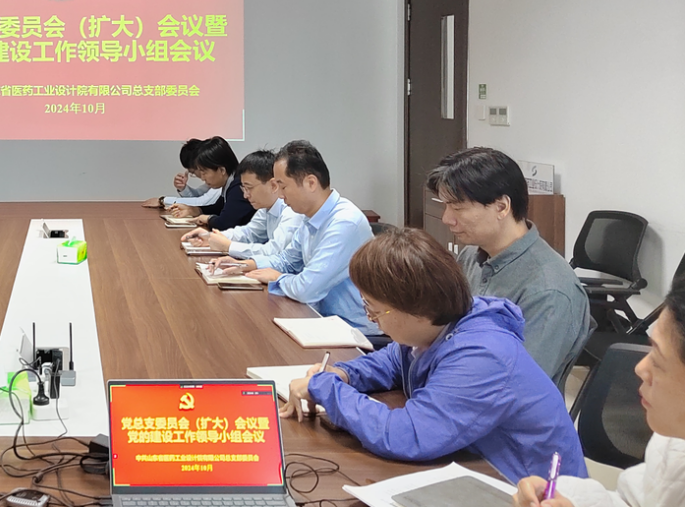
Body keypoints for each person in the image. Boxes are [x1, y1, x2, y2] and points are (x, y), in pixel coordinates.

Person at [283, 227, 586, 485]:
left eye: (373, 310)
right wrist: (344, 374)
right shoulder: (442, 322)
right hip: (472, 465)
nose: (371, 319)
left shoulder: (483, 355)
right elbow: (393, 360)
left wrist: (327, 389)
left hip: (528, 489)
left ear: (416, 311)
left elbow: (407, 435)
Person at [427, 147, 593, 390]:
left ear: (502, 207)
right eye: (446, 206)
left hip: (492, 406)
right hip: (451, 386)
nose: (447, 219)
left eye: (458, 208)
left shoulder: (549, 291)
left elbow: (513, 387)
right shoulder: (470, 256)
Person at [514, 273, 685, 507]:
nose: (640, 368)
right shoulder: (673, 444)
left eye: (658, 360)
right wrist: (570, 502)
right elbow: (632, 501)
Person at [210, 140, 374, 333]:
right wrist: (247, 264)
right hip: (319, 317)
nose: (280, 195)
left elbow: (307, 289)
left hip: (352, 330)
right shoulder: (310, 216)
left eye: (283, 186)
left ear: (310, 183)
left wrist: (278, 278)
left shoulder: (344, 223)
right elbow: (287, 260)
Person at [180, 149, 302, 262]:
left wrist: (229, 246)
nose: (245, 195)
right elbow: (248, 233)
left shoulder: (291, 211)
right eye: (244, 189)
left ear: (273, 185)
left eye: (249, 188)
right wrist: (211, 237)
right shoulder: (266, 208)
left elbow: (275, 251)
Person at [166, 136, 255, 230]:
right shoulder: (230, 183)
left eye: (204, 172)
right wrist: (195, 210)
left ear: (222, 170)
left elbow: (224, 223)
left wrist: (208, 219)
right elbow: (217, 208)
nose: (202, 178)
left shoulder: (239, 187)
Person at [141, 138, 222, 209]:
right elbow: (198, 196)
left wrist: (163, 201)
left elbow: (203, 202)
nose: (202, 178)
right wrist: (184, 189)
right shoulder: (216, 180)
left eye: (193, 172)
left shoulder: (222, 180)